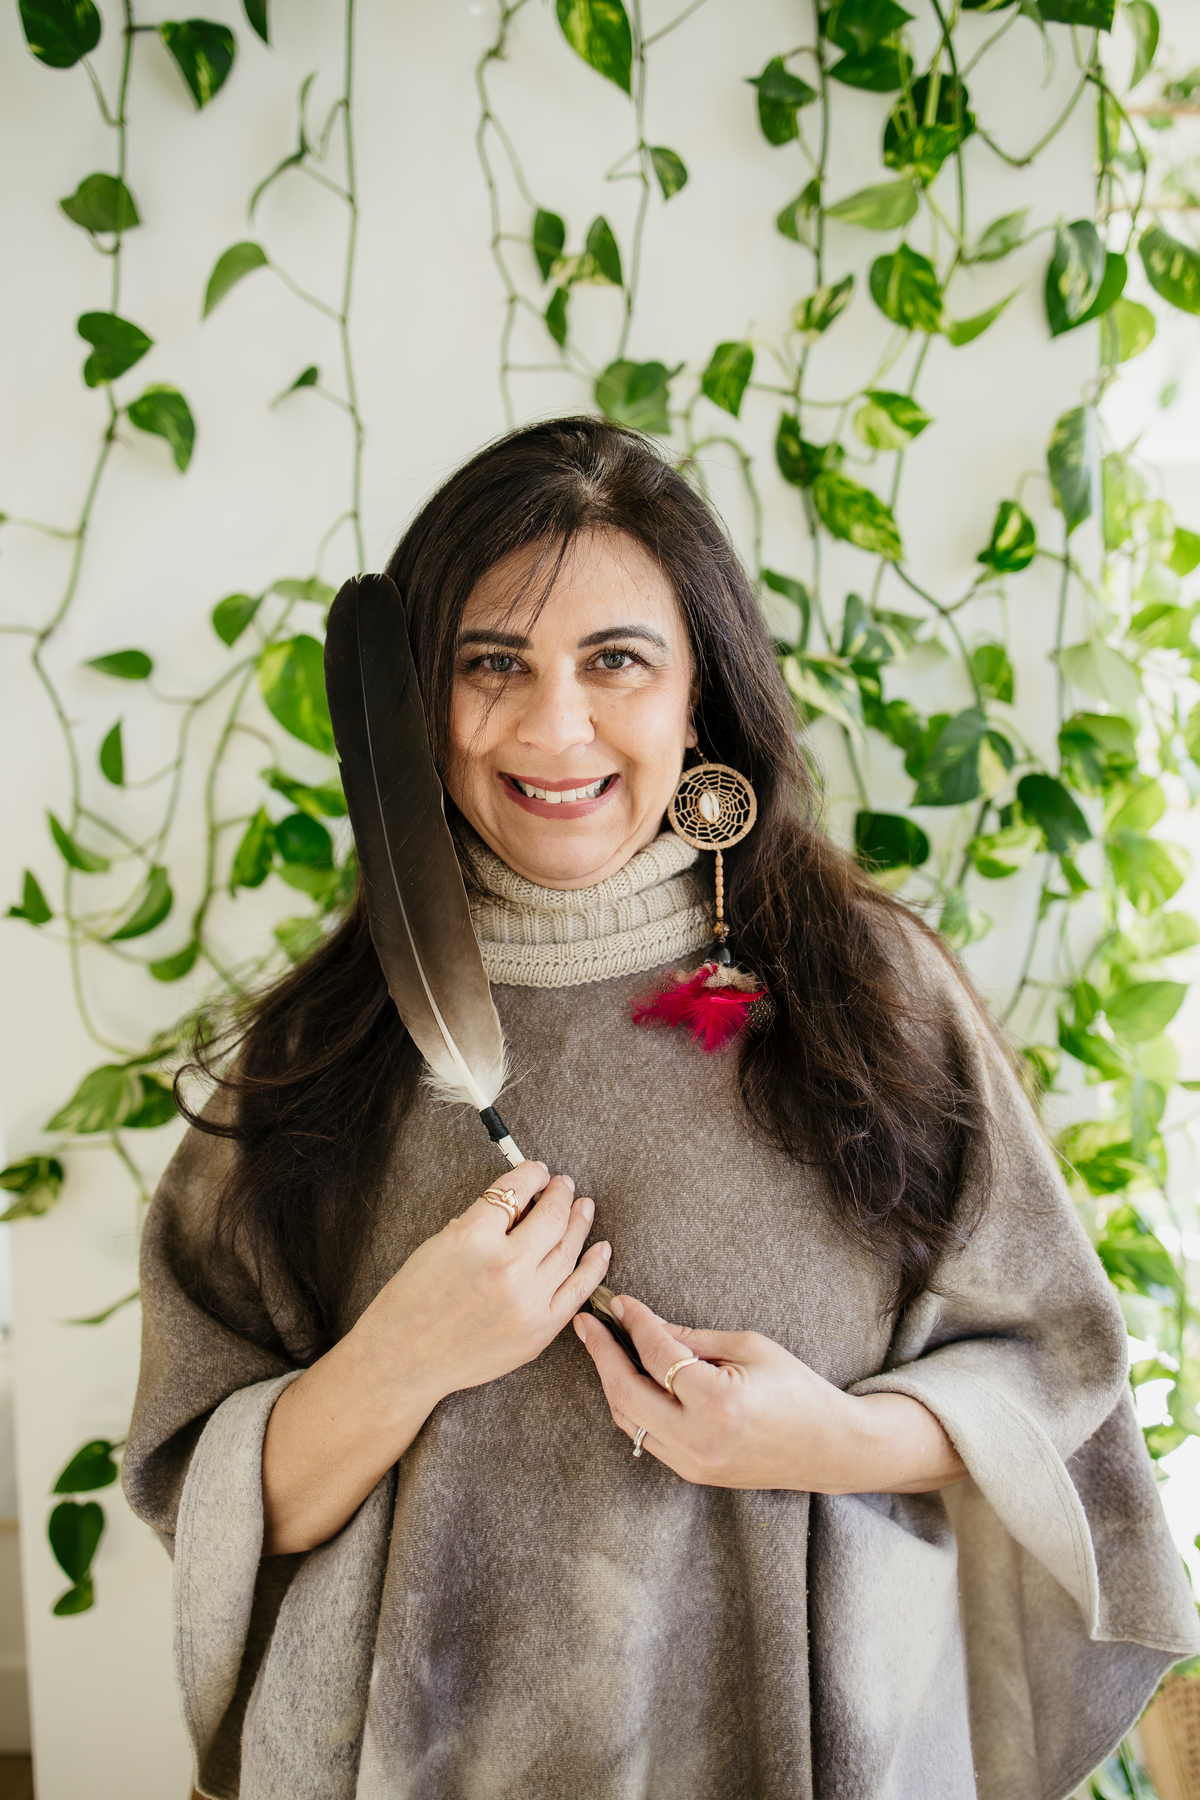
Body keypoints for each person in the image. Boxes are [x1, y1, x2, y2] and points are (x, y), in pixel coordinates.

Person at [124, 417, 1198, 1800]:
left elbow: (1054, 1380)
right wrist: (401, 1356)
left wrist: (825, 1441)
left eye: (616, 660)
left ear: (700, 694)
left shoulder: (872, 996)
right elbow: (206, 1492)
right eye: (491, 663)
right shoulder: (320, 1051)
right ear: (419, 702)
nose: (552, 726)